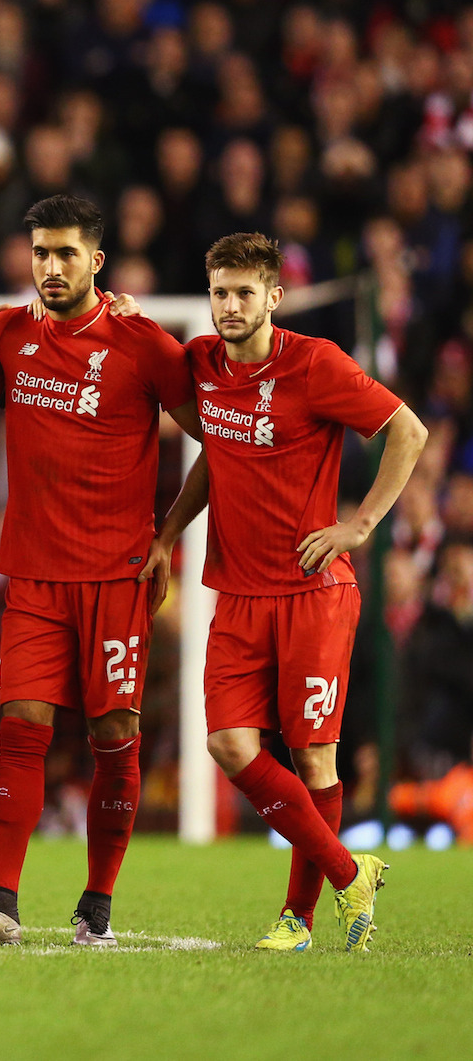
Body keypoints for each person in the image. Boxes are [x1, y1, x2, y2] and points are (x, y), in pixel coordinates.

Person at [0, 194, 205, 947]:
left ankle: (97, 905)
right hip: (33, 574)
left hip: (116, 576)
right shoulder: (13, 330)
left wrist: (167, 537)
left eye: (66, 253)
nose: (51, 267)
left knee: (114, 733)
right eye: (41, 253)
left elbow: (216, 439)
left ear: (97, 261)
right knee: (21, 727)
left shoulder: (143, 342)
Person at [153, 232, 419, 951]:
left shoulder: (314, 363)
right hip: (237, 592)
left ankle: (296, 919)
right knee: (228, 743)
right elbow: (218, 454)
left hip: (312, 590)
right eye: (220, 292)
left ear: (274, 296)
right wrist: (169, 533)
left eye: (244, 292)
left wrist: (359, 524)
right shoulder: (202, 364)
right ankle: (348, 870)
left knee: (314, 760)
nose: (229, 305)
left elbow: (407, 429)